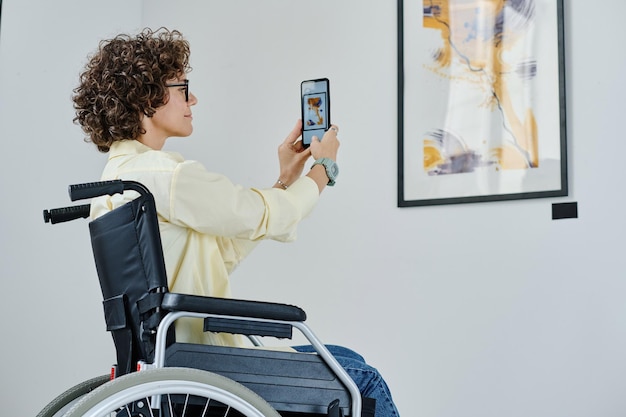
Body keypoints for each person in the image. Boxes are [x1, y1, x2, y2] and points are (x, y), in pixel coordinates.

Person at [73, 27, 399, 417]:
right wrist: (323, 169)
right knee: (363, 380)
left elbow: (223, 247)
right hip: (204, 362)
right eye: (182, 88)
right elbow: (266, 215)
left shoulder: (118, 182)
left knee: (347, 357)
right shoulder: (169, 177)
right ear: (147, 99)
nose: (193, 98)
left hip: (167, 356)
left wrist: (284, 181)